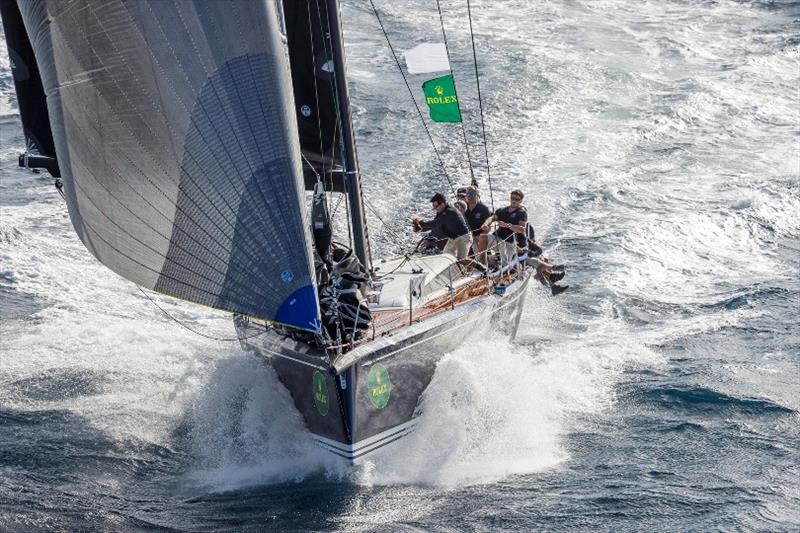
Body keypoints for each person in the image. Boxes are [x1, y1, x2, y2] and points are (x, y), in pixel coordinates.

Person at [413, 192, 472, 260]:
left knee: (462, 259)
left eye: (436, 207)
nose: (435, 209)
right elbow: (434, 225)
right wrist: (421, 228)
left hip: (463, 238)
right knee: (446, 258)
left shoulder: (449, 211)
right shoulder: (440, 212)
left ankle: (482, 268)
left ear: (442, 203)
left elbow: (436, 223)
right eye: (434, 208)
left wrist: (421, 224)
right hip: (453, 238)